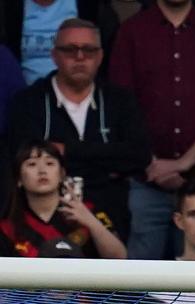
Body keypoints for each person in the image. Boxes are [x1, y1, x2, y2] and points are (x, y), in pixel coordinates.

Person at [105, 0, 195, 259]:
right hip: (144, 180)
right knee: (139, 284)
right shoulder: (132, 31)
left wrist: (182, 164)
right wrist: (151, 163)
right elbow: (120, 107)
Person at [5, 19, 150, 243]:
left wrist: (67, 151)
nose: (80, 57)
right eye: (70, 49)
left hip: (111, 218)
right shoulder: (28, 102)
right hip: (42, 221)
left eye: (89, 50)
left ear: (101, 56)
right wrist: (107, 162)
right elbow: (21, 158)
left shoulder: (120, 100)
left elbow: (139, 156)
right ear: (54, 55)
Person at [1, 141, 128, 259]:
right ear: (18, 179)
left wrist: (90, 221)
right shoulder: (8, 227)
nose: (42, 171)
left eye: (50, 163)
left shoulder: (89, 211)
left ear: (62, 174)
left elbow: (120, 257)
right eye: (32, 164)